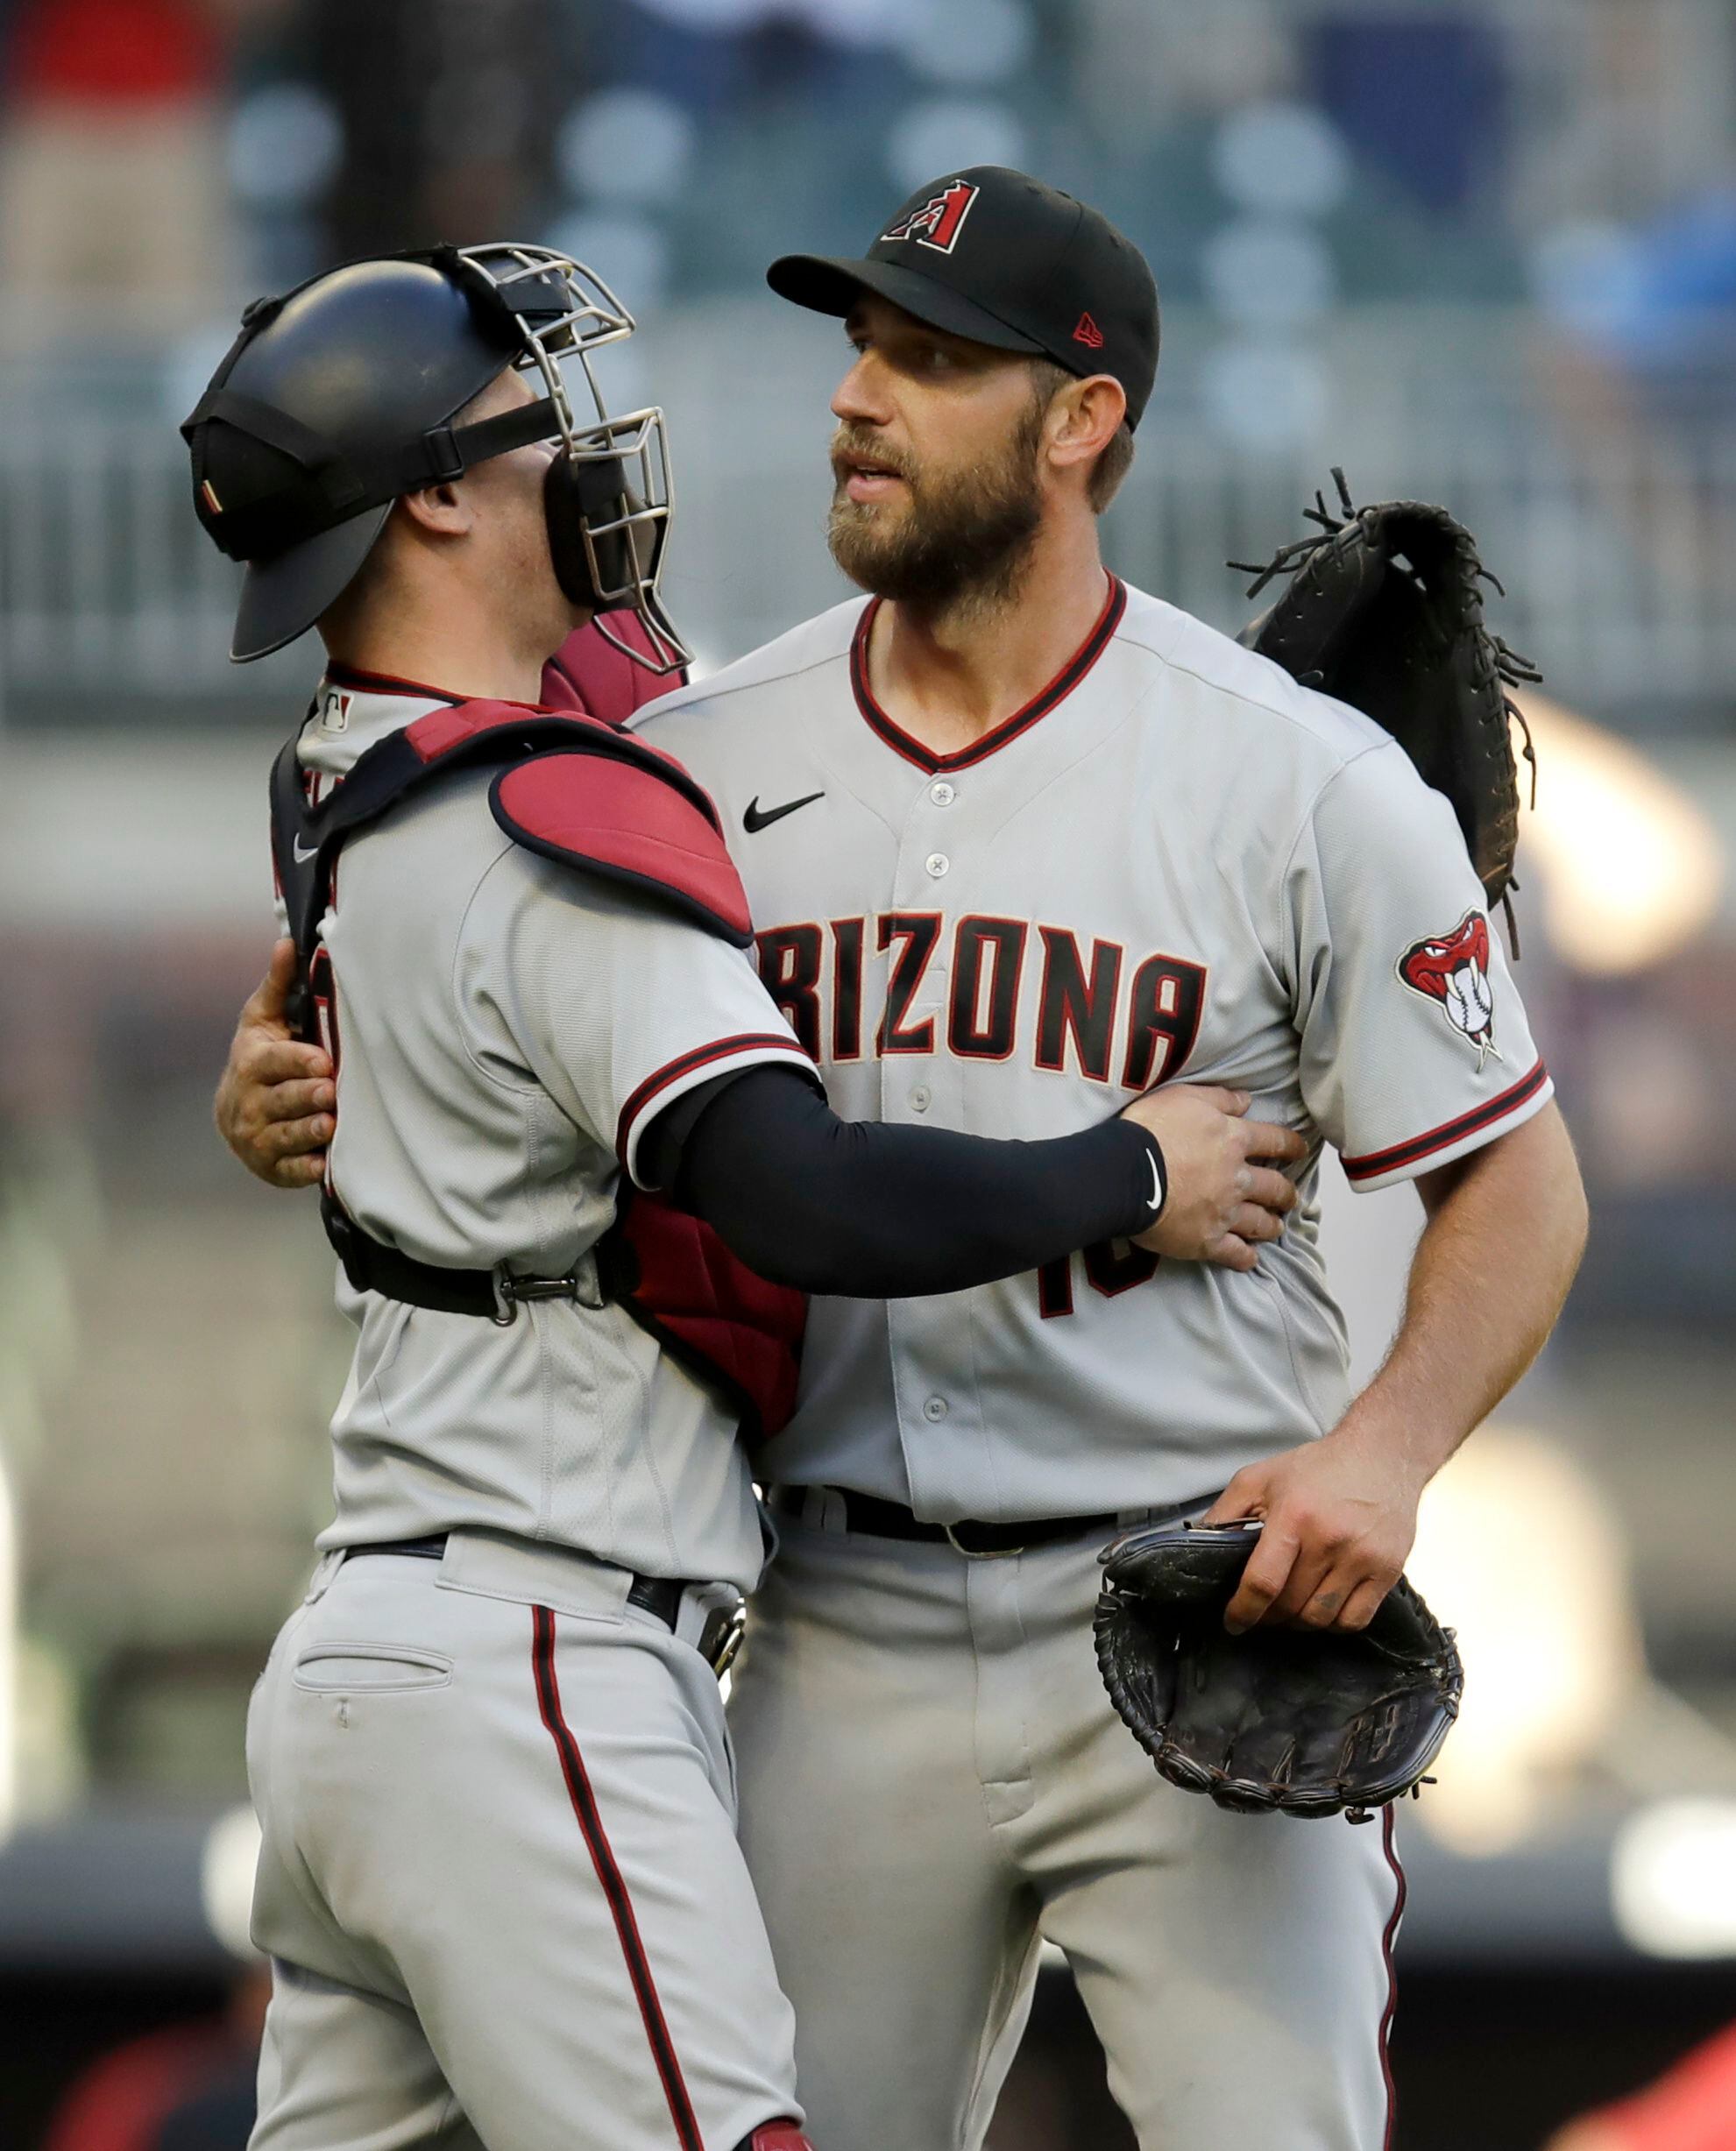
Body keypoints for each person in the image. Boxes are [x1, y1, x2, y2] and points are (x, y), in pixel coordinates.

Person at [218, 172, 1589, 2150]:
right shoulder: (692, 747)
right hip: (830, 1617)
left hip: (1189, 1604)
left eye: (932, 361)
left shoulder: (1288, 773)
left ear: (1079, 421)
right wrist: (270, 1077)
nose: (859, 398)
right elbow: (426, 886)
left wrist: (1384, 1452)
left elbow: (1516, 1181)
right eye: (855, 346)